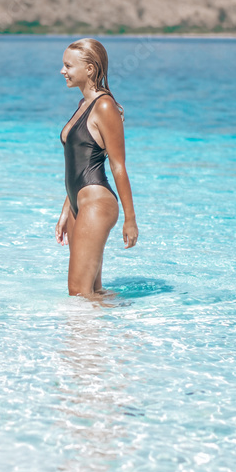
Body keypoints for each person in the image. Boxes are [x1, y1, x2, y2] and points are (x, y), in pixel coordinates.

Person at [55, 38, 138, 299]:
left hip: (96, 203)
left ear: (89, 69)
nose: (62, 71)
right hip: (78, 204)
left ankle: (122, 323)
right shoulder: (83, 105)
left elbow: (118, 166)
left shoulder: (103, 105)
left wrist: (130, 219)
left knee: (78, 293)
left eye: (68, 65)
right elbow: (78, 162)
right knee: (92, 292)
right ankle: (121, 322)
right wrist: (66, 210)